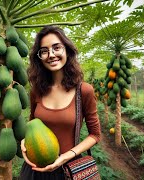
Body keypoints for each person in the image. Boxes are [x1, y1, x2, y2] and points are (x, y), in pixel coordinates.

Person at [19, 25, 101, 180]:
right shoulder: (36, 90)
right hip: (35, 170)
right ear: (39, 57)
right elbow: (32, 124)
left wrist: (65, 156)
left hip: (68, 169)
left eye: (56, 48)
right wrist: (25, 141)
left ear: (67, 50)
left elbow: (95, 135)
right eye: (44, 51)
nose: (51, 54)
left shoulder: (84, 91)